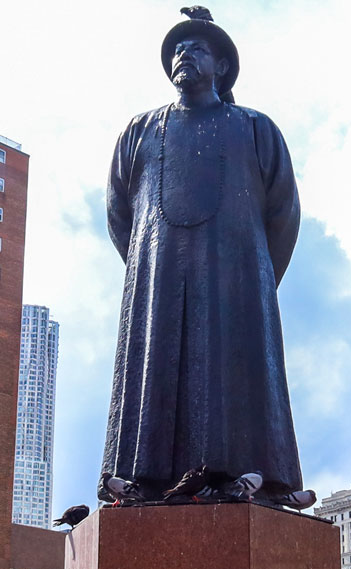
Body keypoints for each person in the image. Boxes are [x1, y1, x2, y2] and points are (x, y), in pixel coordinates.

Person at [101, 7, 313, 509]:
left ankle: (249, 476)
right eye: (177, 49)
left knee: (236, 376)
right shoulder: (139, 132)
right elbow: (118, 214)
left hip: (237, 280)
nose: (183, 56)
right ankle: (145, 481)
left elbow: (284, 214)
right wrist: (150, 268)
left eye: (195, 48)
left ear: (220, 65)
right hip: (158, 283)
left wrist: (254, 278)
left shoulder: (256, 129)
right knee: (155, 373)